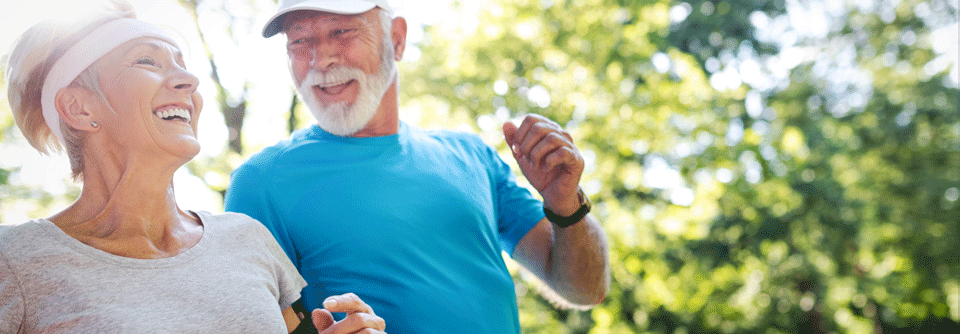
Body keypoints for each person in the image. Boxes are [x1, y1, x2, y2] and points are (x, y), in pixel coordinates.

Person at [224, 0, 610, 332]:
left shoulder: (471, 156)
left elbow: (585, 289)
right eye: (299, 41)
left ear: (397, 39)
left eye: (342, 31)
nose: (320, 59)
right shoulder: (262, 183)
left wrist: (566, 205)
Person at [0, 1, 385, 333]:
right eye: (147, 61)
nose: (188, 80)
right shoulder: (14, 261)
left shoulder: (248, 239)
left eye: (182, 65)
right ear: (79, 108)